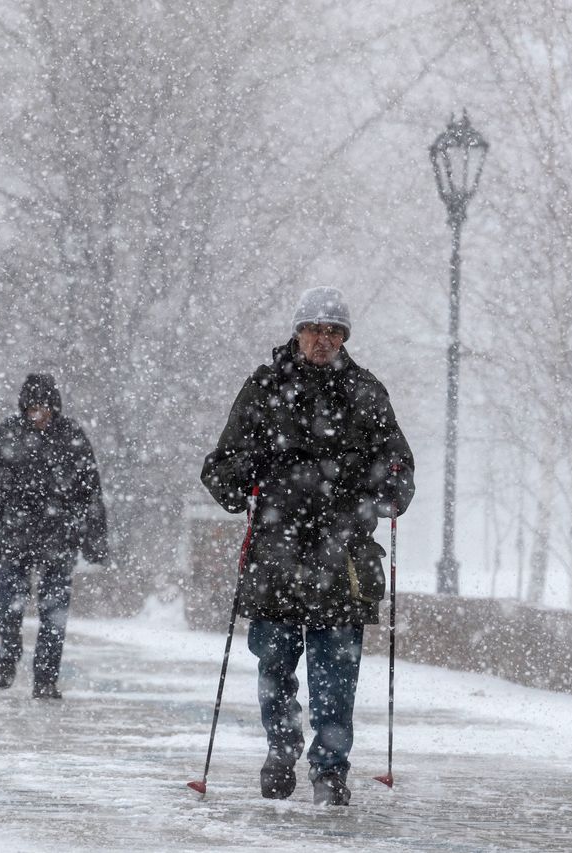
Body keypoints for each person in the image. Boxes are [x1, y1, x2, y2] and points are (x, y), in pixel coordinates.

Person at [201, 286, 414, 806]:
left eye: (335, 331)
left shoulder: (366, 392)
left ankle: (330, 770)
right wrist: (235, 480)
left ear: (344, 339)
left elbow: (400, 466)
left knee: (335, 675)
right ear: (298, 332)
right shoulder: (265, 386)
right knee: (274, 665)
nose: (325, 339)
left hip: (342, 559)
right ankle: (281, 747)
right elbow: (223, 462)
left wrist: (389, 490)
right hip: (277, 553)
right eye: (316, 329)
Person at [0, 373, 110, 700]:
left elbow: (90, 492)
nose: (38, 414)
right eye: (32, 408)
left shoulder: (71, 438)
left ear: (54, 408)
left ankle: (46, 679)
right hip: (14, 537)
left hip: (59, 540)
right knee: (9, 606)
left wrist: (94, 541)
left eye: (44, 408)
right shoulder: (6, 435)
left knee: (54, 615)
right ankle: (9, 653)